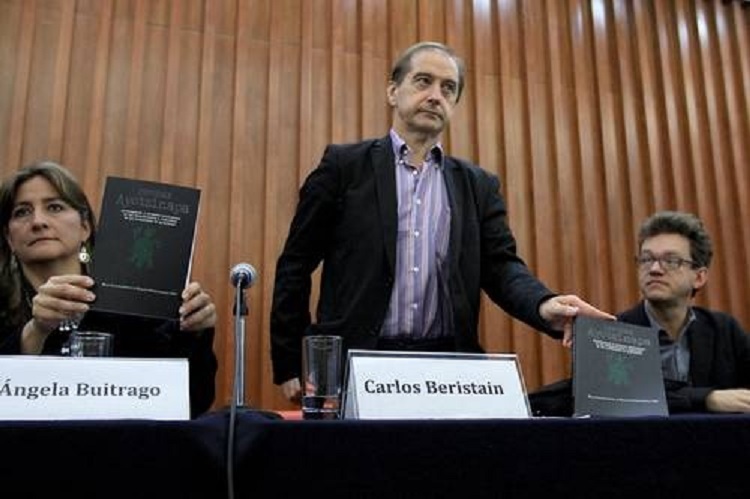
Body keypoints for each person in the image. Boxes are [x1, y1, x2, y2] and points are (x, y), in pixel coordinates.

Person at [270, 41, 614, 402]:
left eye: (448, 88)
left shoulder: (477, 186)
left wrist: (544, 305)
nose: (436, 96)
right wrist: (291, 360)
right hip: (357, 364)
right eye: (423, 81)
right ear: (393, 91)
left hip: (447, 368)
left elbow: (501, 268)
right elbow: (295, 264)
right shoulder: (344, 167)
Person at [0, 161, 218, 417]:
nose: (38, 222)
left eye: (54, 207)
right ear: (8, 237)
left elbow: (193, 401)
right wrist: (35, 333)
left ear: (85, 227)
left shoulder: (134, 302)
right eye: (22, 212)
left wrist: (194, 334)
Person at [529, 210, 750, 416]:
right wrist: (708, 398)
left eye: (671, 261)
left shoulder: (724, 330)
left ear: (699, 277)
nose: (654, 269)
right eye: (646, 259)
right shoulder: (613, 333)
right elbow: (622, 397)